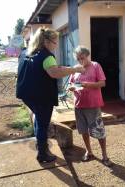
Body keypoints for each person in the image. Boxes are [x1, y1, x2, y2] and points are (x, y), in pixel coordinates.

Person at [16, 27, 85, 163]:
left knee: (38, 118)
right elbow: (55, 72)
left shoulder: (26, 53)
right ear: (46, 41)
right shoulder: (47, 56)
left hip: (25, 93)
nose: (56, 45)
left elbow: (54, 68)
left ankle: (40, 145)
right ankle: (43, 154)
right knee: (42, 123)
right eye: (55, 42)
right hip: (41, 96)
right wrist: (75, 69)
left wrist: (68, 69)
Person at [68, 45, 112, 167]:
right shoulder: (76, 69)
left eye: (82, 58)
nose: (81, 61)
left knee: (98, 130)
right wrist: (71, 88)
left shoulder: (95, 66)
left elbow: (102, 83)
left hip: (92, 105)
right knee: (83, 130)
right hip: (79, 104)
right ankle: (89, 151)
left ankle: (104, 155)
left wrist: (86, 84)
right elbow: (72, 83)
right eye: (78, 59)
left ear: (88, 56)